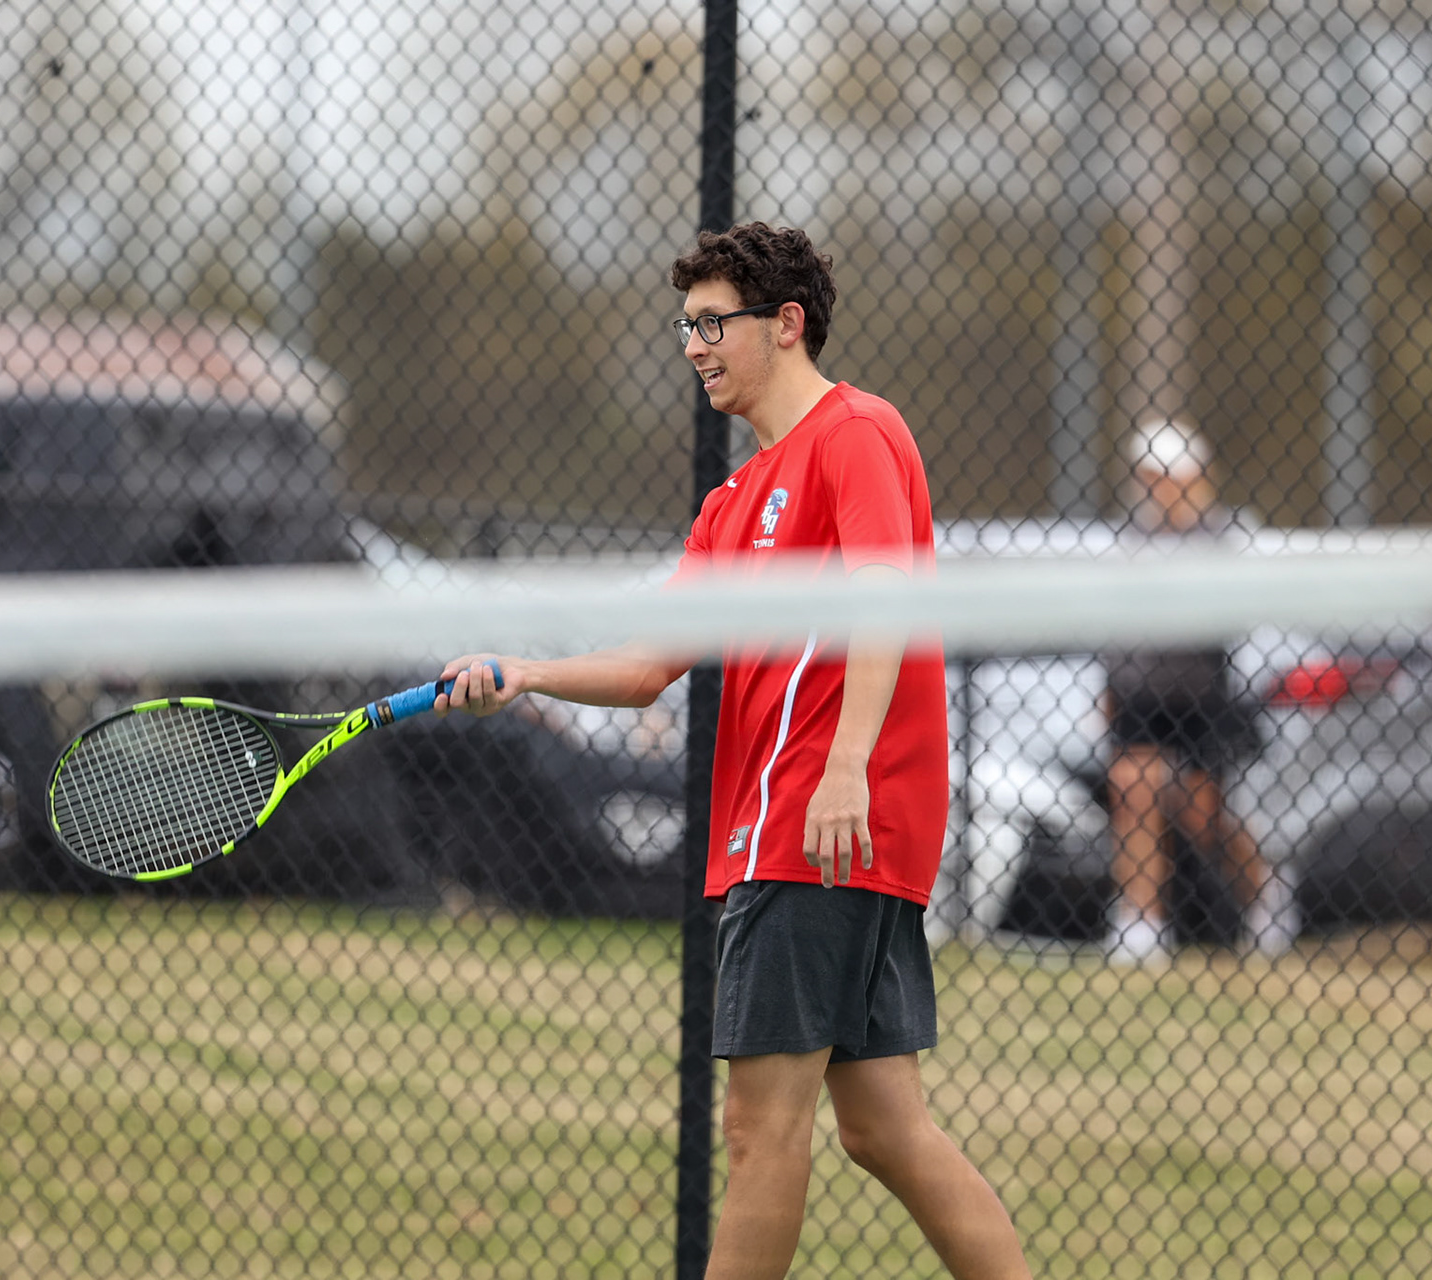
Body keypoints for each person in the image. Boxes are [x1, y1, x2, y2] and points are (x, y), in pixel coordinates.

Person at [436, 222, 1031, 1280]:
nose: (695, 345)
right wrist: (526, 673)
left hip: (815, 825)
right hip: (802, 833)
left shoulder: (858, 433)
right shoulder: (730, 505)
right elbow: (650, 664)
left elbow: (885, 593)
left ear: (787, 323)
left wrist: (846, 762)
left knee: (760, 1129)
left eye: (714, 323)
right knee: (883, 1128)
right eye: (687, 325)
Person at [1104, 417, 1295, 963]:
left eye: (1168, 476)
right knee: (1133, 789)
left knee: (1202, 814)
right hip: (1141, 697)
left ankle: (1266, 896)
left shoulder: (1223, 537)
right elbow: (1114, 624)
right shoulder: (1131, 540)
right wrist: (1111, 689)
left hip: (1201, 697)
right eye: (1150, 476)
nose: (1157, 487)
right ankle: (1141, 921)